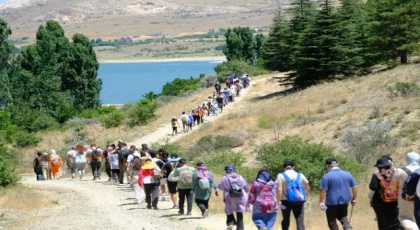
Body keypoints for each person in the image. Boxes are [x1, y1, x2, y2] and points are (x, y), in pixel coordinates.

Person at [319, 158, 357, 230]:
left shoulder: (326, 177)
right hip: (345, 200)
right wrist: (354, 199)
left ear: (327, 166)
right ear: (338, 164)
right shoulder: (347, 174)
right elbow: (354, 187)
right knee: (342, 216)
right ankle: (347, 227)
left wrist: (321, 202)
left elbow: (323, 191)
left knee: (331, 220)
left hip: (331, 202)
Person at [369, 156, 402, 230]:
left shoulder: (377, 174)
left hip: (381, 203)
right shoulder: (397, 172)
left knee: (383, 223)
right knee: (396, 223)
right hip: (397, 202)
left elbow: (373, 187)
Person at [391, 152, 420, 230]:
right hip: (419, 198)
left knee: (405, 217)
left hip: (406, 199)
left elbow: (393, 188)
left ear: (407, 160)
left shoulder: (400, 171)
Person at [277, 161, 310, 230]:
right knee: (299, 220)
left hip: (284, 201)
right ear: (294, 167)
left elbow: (279, 189)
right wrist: (304, 195)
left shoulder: (280, 175)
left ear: (284, 168)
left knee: (285, 219)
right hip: (299, 200)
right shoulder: (300, 175)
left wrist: (279, 201)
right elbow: (307, 187)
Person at [218, 164, 249, 230]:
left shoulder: (225, 178)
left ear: (226, 171)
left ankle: (230, 223)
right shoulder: (240, 177)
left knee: (228, 210)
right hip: (240, 195)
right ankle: (240, 228)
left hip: (228, 196)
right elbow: (246, 187)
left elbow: (220, 187)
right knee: (239, 211)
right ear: (234, 170)